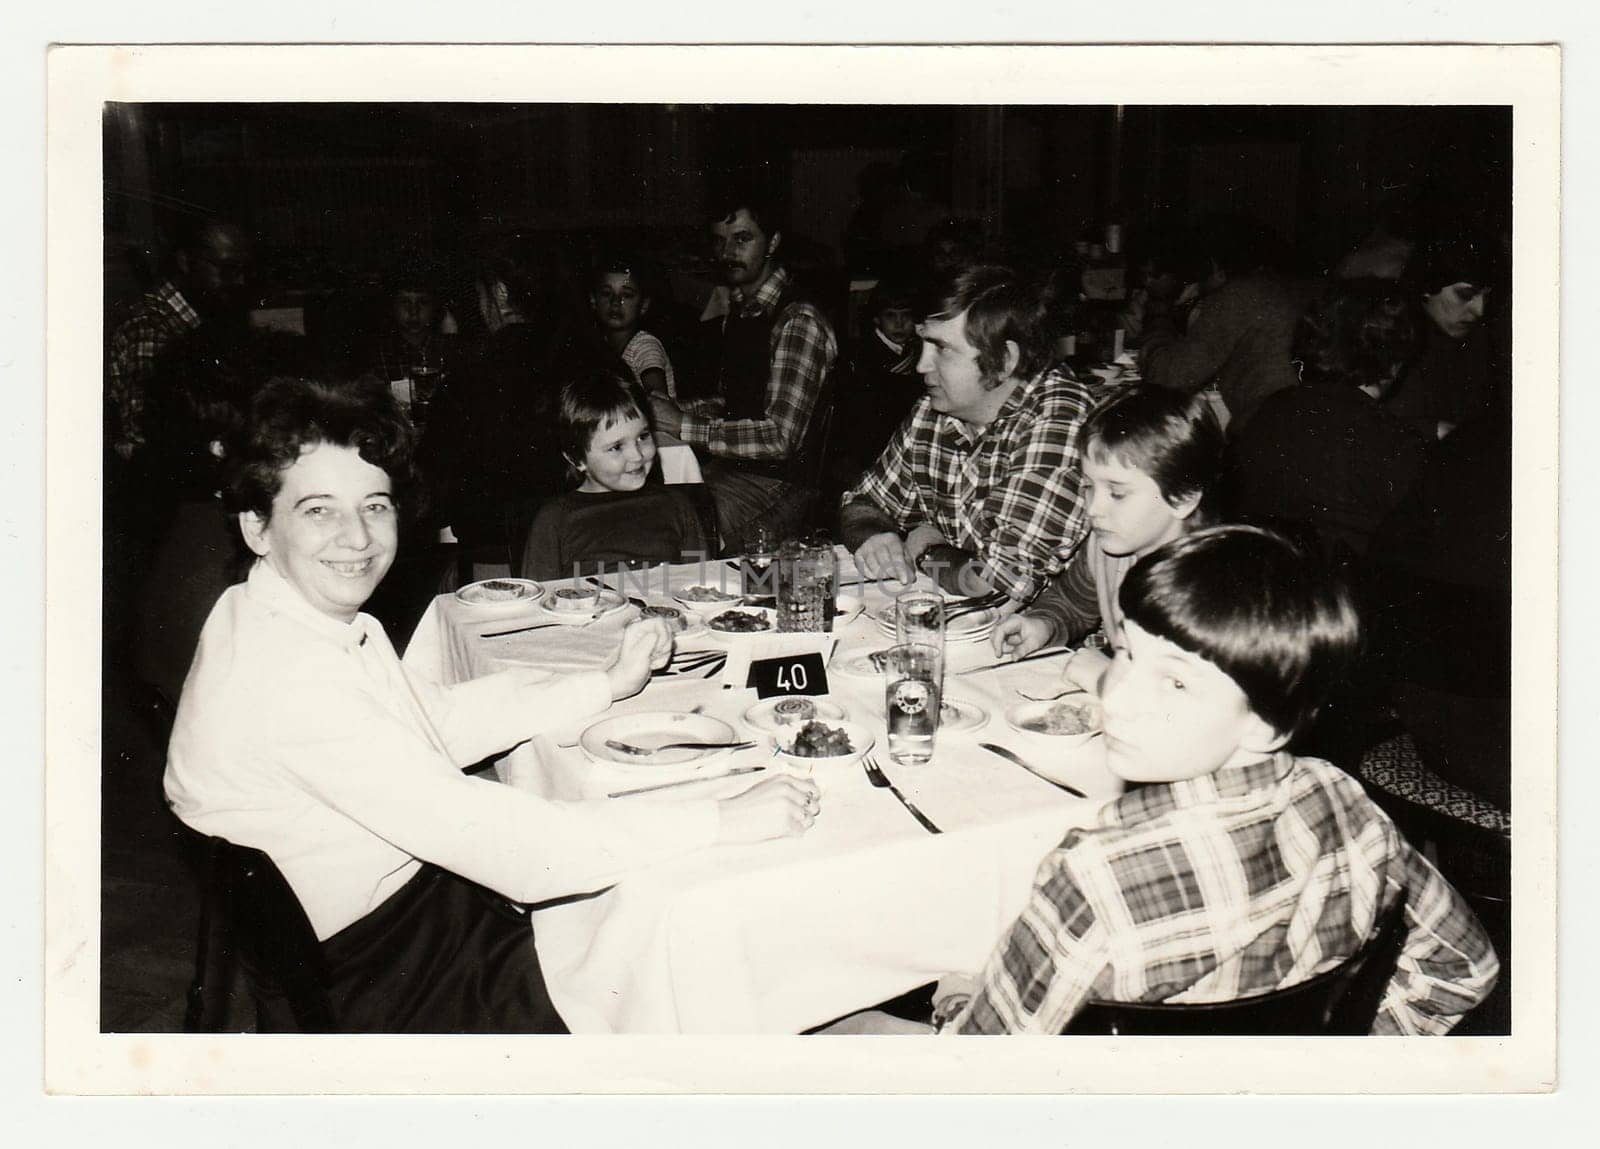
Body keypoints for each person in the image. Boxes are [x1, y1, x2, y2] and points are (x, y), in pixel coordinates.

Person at [165, 376, 820, 1033]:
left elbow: (439, 720)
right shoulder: (292, 680)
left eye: (375, 505)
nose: (357, 537)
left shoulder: (269, 615)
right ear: (257, 525)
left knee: (644, 907)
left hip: (403, 925)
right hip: (396, 981)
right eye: (318, 510)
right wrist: (719, 819)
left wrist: (603, 683)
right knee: (680, 940)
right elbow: (517, 850)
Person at [826, 526, 1498, 1035]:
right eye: (1125, 654)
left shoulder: (1095, 868)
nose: (1117, 697)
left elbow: (976, 1076)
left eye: (1175, 680)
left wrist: (953, 1004)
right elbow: (1465, 965)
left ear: (1265, 724)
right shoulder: (1347, 801)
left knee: (836, 1022)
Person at [838, 263, 1096, 604]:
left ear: (1004, 360)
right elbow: (863, 502)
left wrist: (925, 548)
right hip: (962, 617)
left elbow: (999, 581)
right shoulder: (935, 411)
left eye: (942, 349)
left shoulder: (1060, 421)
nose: (921, 365)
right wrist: (876, 535)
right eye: (923, 345)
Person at [989, 385, 1225, 693]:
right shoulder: (1109, 549)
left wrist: (1108, 681)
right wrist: (1044, 624)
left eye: (1117, 493)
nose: (1094, 508)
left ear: (1182, 498)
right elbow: (1073, 602)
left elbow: (1198, 706)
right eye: (1088, 487)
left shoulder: (1211, 589)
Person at [647, 188, 839, 549]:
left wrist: (682, 424)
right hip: (732, 470)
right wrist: (663, 409)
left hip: (781, 488)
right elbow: (733, 403)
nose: (727, 253)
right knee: (642, 509)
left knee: (669, 535)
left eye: (742, 239)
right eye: (720, 241)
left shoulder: (798, 319)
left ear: (773, 243)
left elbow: (780, 438)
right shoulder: (741, 307)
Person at [1229, 279, 1429, 560]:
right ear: (1396, 362)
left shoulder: (1272, 409)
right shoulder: (1392, 442)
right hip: (1348, 591)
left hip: (1270, 577)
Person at [1133, 215, 1324, 431]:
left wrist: (1159, 314)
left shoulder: (1240, 295)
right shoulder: (1296, 287)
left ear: (1217, 267)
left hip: (1268, 430)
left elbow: (1167, 378)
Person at [520, 369, 709, 582]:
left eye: (643, 437)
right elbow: (538, 599)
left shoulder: (676, 505)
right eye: (616, 447)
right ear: (577, 460)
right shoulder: (556, 519)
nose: (637, 455)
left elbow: (701, 582)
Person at [107, 217, 254, 463]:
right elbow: (142, 436)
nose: (240, 281)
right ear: (186, 262)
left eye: (245, 270)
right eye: (228, 270)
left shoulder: (204, 316)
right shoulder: (151, 327)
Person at [1384, 234, 1505, 442]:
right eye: (1466, 295)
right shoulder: (1391, 336)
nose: (1480, 310)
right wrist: (1429, 429)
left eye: (1486, 296)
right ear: (1428, 287)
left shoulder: (1478, 339)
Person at [827, 274, 925, 493]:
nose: (899, 324)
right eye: (890, 316)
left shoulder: (917, 353)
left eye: (906, 316)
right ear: (876, 319)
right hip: (864, 454)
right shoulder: (860, 356)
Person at [590, 258, 678, 399]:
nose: (615, 302)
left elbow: (659, 398)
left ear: (644, 305)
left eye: (627, 295)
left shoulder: (644, 346)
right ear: (593, 301)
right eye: (606, 293)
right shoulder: (600, 341)